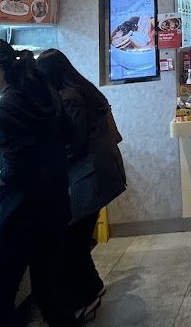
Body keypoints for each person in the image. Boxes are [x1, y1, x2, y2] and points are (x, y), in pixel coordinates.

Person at [0, 41, 75, 327]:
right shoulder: (44, 93)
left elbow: (17, 170)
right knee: (50, 289)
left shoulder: (5, 108)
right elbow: (62, 138)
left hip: (20, 214)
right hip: (54, 203)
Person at [37, 49, 127, 320]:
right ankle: (93, 287)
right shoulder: (83, 89)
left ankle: (84, 300)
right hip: (102, 169)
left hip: (90, 174)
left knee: (71, 241)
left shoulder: (69, 98)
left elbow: (75, 145)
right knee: (77, 237)